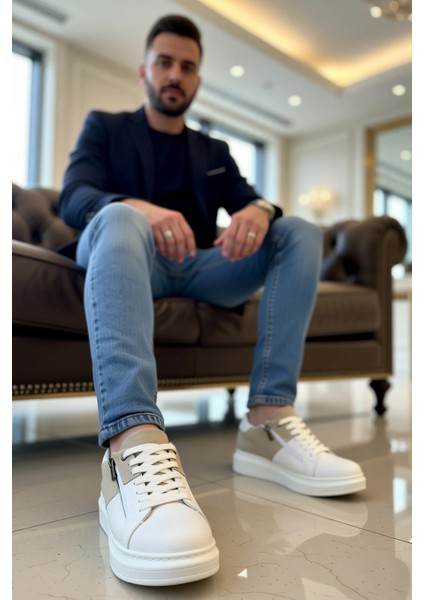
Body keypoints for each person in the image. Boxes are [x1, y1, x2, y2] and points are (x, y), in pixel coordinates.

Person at [59, 14, 366, 587]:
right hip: (129, 255)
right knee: (121, 216)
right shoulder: (106, 126)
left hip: (200, 267)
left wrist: (258, 211)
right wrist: (141, 209)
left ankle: (268, 422)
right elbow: (74, 197)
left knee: (297, 229)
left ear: (198, 78)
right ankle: (130, 442)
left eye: (187, 66)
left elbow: (256, 201)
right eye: (165, 63)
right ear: (145, 70)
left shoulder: (214, 150)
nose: (175, 75)